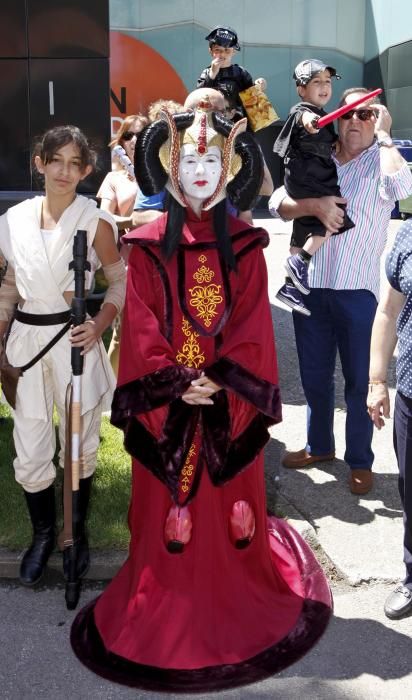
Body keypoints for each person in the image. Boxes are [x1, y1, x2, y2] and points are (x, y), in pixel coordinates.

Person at [70, 104, 332, 692]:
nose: (201, 169)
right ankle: (164, 604)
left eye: (212, 158)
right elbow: (138, 326)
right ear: (170, 169)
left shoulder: (245, 242)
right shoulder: (143, 244)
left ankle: (234, 595)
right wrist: (172, 382)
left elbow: (251, 323)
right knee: (167, 513)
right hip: (169, 403)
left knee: (228, 511)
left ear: (229, 165)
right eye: (189, 159)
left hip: (224, 401)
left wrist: (225, 378)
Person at [0, 125, 126, 587]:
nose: (65, 171)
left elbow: (119, 280)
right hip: (27, 346)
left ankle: (77, 534)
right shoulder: (13, 220)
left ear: (87, 170)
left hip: (76, 342)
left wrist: (99, 324)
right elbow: (9, 287)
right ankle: (43, 535)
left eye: (76, 163)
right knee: (32, 449)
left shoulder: (94, 221)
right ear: (40, 163)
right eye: (56, 160)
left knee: (79, 445)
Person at [269, 88, 412, 495]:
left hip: (358, 295)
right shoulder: (318, 155)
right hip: (309, 290)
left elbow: (404, 185)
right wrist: (311, 207)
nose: (355, 121)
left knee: (358, 382)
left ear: (377, 118)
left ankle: (360, 460)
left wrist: (385, 136)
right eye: (348, 113)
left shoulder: (381, 163)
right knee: (314, 378)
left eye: (365, 114)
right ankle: (319, 446)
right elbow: (279, 199)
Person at [274, 59, 354, 316]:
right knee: (335, 214)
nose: (324, 87)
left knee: (305, 225)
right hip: (308, 177)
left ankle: (290, 287)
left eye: (327, 82)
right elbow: (304, 118)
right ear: (301, 89)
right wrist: (311, 121)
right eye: (316, 82)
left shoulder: (323, 116)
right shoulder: (304, 110)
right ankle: (301, 261)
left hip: (304, 178)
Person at [368, 218, 412, 619]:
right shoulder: (408, 237)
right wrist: (377, 380)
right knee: (411, 494)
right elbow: (387, 312)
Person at [97, 114, 149, 375]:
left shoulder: (165, 174)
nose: (134, 140)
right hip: (129, 263)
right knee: (122, 331)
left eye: (141, 133)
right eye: (128, 135)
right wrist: (136, 219)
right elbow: (104, 218)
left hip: (164, 261)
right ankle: (111, 389)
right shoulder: (113, 179)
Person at [197, 25, 266, 118]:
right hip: (211, 124)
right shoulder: (207, 72)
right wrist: (212, 75)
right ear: (211, 51)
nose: (222, 54)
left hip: (236, 124)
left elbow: (256, 109)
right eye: (218, 50)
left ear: (234, 52)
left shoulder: (241, 73)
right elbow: (199, 98)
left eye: (227, 50)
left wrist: (259, 88)